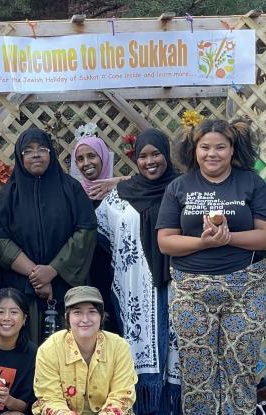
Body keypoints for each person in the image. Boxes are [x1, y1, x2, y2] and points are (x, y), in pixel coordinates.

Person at [156, 118, 266, 414]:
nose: (212, 154)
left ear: (232, 149)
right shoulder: (179, 186)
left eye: (220, 147)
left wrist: (227, 237)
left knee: (240, 368)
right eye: (205, 147)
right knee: (197, 372)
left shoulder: (250, 182)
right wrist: (202, 242)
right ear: (194, 150)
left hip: (244, 289)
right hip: (192, 291)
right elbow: (165, 241)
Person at [95, 128, 182, 414]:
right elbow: (101, 241)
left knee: (180, 354)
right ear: (135, 160)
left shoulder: (183, 189)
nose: (150, 161)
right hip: (136, 294)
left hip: (180, 289)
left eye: (156, 153)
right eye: (143, 156)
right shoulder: (118, 197)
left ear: (166, 155)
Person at [0, 128, 97, 343]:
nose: (36, 154)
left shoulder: (71, 190)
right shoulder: (6, 197)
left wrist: (53, 270)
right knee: (22, 352)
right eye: (28, 151)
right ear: (20, 156)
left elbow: (86, 230)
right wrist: (37, 275)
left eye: (42, 149)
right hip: (19, 291)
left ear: (51, 154)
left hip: (64, 288)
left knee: (65, 352)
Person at [31, 286, 138, 415]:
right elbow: (49, 398)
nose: (85, 319)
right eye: (77, 312)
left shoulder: (119, 347)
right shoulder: (49, 349)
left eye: (92, 312)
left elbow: (122, 396)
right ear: (67, 317)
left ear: (101, 316)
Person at [71, 134, 123, 334]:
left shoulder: (122, 192)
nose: (86, 163)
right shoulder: (75, 194)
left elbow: (149, 181)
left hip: (117, 274)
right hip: (86, 276)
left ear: (103, 157)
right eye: (80, 159)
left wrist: (117, 181)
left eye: (92, 156)